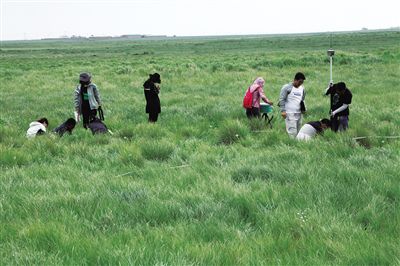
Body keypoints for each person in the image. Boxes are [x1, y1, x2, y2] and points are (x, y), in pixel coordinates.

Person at [279, 72, 307, 138]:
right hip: (289, 113)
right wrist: (283, 111)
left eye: (302, 82)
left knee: (299, 131)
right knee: (292, 132)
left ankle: (297, 145)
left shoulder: (302, 89)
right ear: (295, 80)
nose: (300, 84)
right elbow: (282, 99)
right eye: (299, 82)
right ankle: (292, 144)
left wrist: (304, 109)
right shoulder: (287, 88)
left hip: (299, 113)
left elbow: (302, 100)